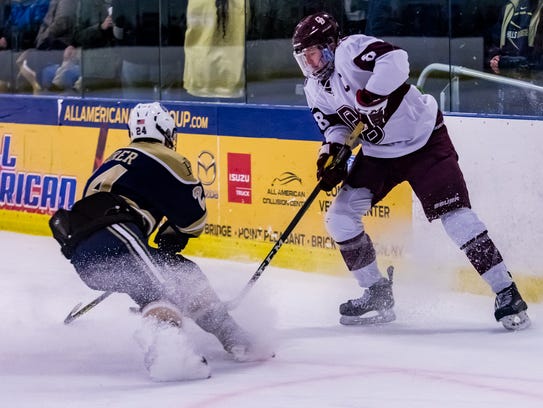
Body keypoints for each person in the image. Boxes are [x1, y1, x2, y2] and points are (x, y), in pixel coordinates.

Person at [291, 12, 531, 331]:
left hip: (424, 142)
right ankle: (376, 292)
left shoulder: (352, 51)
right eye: (302, 57)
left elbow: (396, 60)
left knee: (456, 217)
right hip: (378, 155)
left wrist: (373, 93)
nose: (309, 63)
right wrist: (331, 153)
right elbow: (334, 125)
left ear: (331, 46)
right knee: (339, 217)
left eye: (313, 53)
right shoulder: (314, 87)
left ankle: (507, 291)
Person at [49, 102, 271, 381]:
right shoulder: (167, 157)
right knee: (160, 290)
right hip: (117, 232)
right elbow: (194, 219)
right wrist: (172, 237)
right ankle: (170, 356)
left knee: (182, 274)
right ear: (165, 131)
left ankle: (232, 337)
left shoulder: (117, 157)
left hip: (83, 251)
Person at [488, 0, 543, 116]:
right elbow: (494, 43)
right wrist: (495, 57)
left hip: (536, 87)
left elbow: (539, 60)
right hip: (509, 86)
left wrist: (507, 63)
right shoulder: (509, 6)